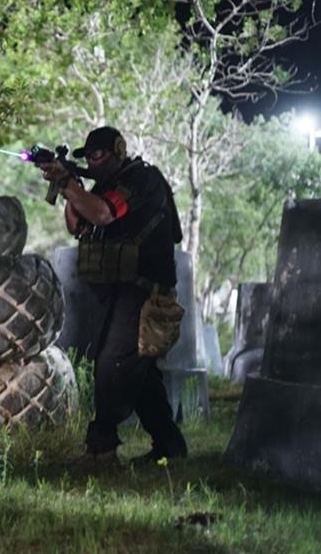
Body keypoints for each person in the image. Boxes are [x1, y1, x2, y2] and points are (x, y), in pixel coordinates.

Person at [39, 126, 188, 465]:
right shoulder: (101, 186)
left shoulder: (141, 179)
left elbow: (104, 213)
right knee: (141, 374)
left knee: (113, 365)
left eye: (98, 156)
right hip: (121, 289)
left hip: (146, 290)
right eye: (87, 158)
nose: (92, 162)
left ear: (118, 150)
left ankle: (101, 448)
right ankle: (170, 446)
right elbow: (77, 224)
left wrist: (69, 183)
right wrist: (68, 185)